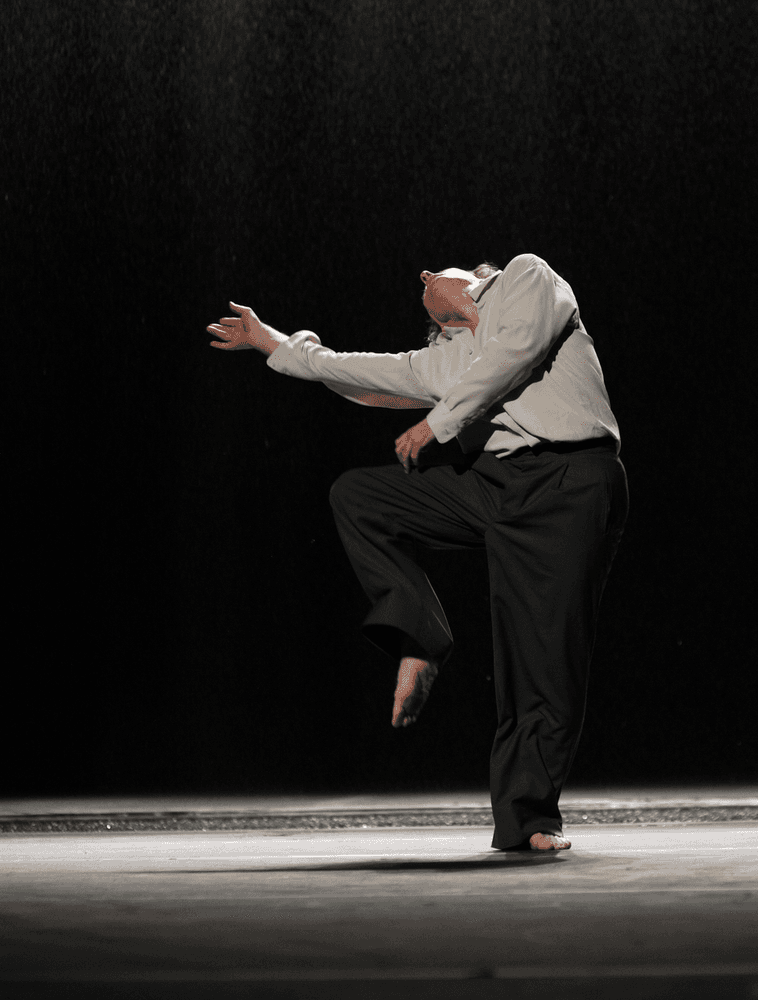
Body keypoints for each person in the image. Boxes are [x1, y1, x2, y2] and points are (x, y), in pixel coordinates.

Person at [206, 253, 627, 851]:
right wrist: (268, 340)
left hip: (570, 484)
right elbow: (356, 372)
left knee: (541, 659)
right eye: (422, 282)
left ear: (475, 276)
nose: (424, 276)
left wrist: (439, 423)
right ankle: (420, 634)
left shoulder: (526, 279)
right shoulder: (443, 359)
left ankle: (527, 819)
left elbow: (515, 355)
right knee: (359, 496)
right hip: (496, 485)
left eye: (437, 270)